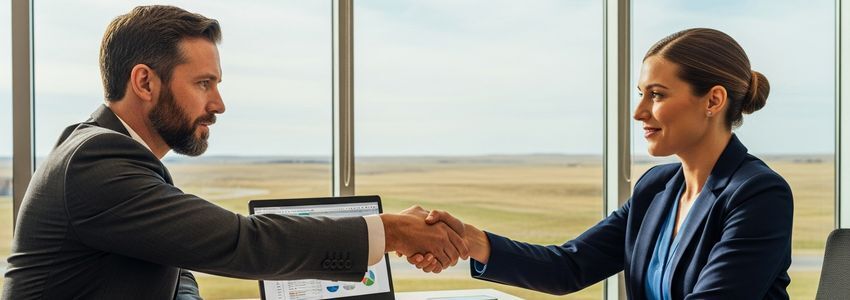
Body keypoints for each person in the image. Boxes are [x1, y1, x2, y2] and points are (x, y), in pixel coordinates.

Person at [2, 5, 467, 300]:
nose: (218, 104)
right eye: (203, 84)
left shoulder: (103, 151)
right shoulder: (95, 164)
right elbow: (241, 243)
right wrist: (391, 231)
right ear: (144, 82)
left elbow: (174, 266)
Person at [410, 28, 793, 299]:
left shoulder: (758, 194)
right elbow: (568, 268)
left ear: (713, 101)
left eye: (657, 95)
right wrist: (470, 240)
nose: (639, 112)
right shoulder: (656, 187)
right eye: (641, 94)